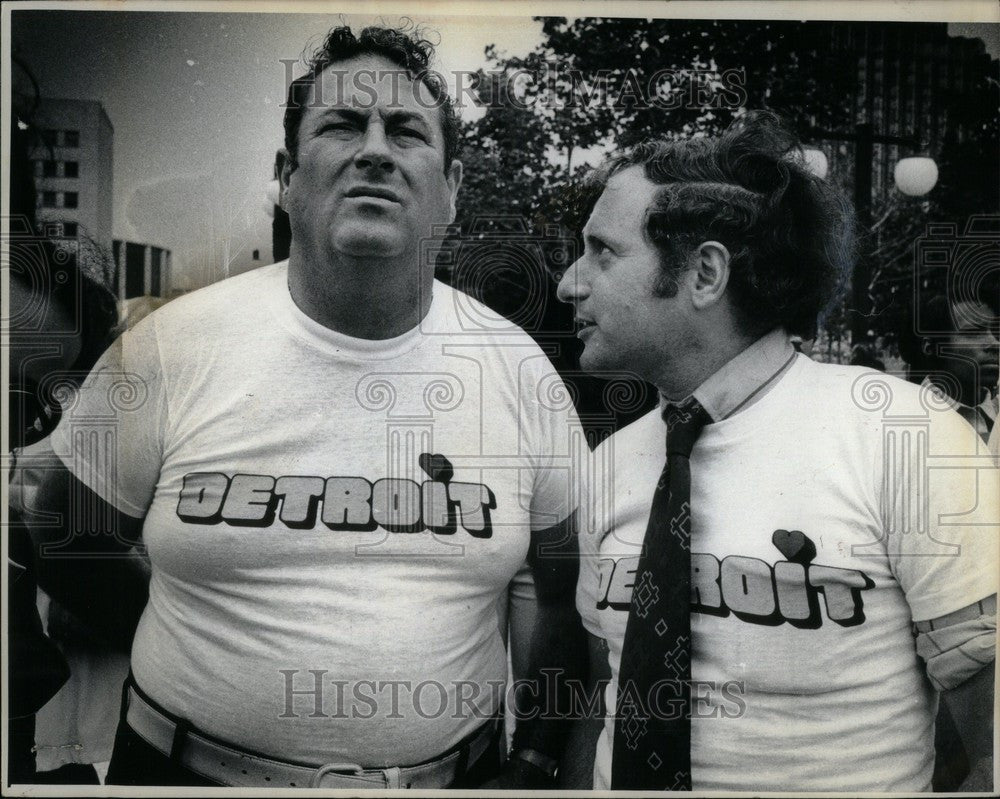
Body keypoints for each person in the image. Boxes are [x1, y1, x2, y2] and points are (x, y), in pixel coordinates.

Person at [27, 24, 582, 789]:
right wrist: (200, 641)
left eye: (407, 131)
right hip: (178, 772)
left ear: (451, 187)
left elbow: (561, 594)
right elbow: (62, 535)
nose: (376, 150)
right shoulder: (166, 348)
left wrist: (535, 757)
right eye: (343, 124)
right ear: (286, 175)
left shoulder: (520, 372)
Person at [556, 111, 997, 792]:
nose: (569, 284)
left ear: (704, 273)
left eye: (602, 252)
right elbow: (605, 691)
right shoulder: (609, 462)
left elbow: (990, 752)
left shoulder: (904, 438)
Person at [899, 291, 998, 448]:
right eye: (974, 332)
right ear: (931, 347)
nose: (995, 343)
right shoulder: (905, 418)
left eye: (996, 333)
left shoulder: (997, 411)